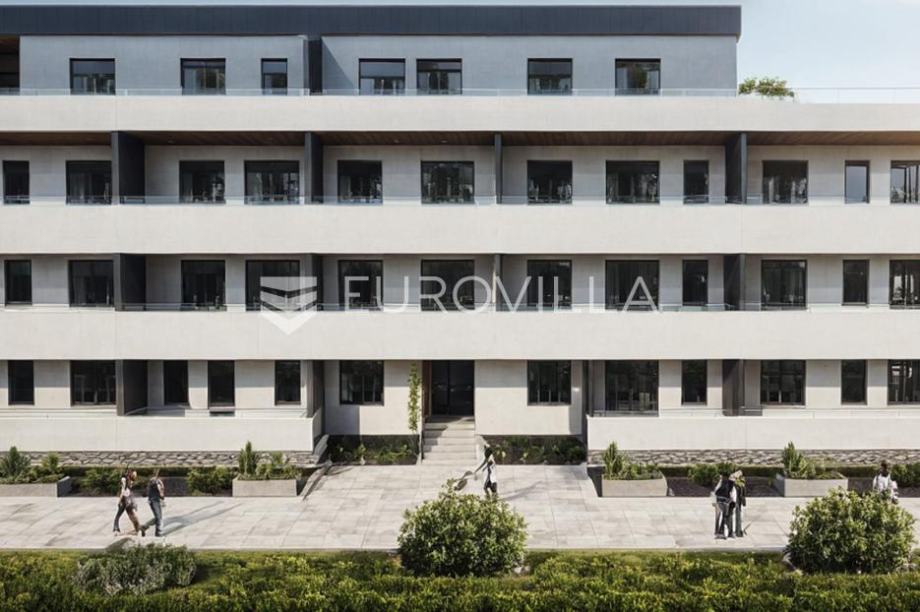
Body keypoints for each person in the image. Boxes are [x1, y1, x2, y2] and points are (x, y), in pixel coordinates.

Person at [117, 470, 146, 537]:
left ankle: (139, 529)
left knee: (131, 515)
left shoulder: (128, 481)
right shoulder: (130, 480)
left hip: (127, 500)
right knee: (132, 515)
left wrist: (119, 501)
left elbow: (123, 491)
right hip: (129, 499)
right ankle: (138, 529)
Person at [143, 469, 166, 537]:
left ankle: (146, 527)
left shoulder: (153, 480)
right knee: (158, 517)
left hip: (154, 500)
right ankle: (157, 532)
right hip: (154, 501)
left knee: (158, 517)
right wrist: (162, 496)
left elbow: (148, 490)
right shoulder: (157, 481)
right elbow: (160, 492)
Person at [713, 471, 736, 539]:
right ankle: (724, 533)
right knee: (725, 517)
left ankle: (719, 533)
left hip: (719, 501)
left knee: (719, 518)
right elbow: (732, 494)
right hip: (726, 502)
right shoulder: (730, 483)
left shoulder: (722, 482)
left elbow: (715, 491)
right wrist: (732, 501)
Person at [732, 470, 746, 538]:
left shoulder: (740, 484)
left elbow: (743, 494)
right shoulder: (735, 484)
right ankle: (736, 531)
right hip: (736, 502)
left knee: (740, 517)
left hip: (739, 502)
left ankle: (739, 531)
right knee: (736, 517)